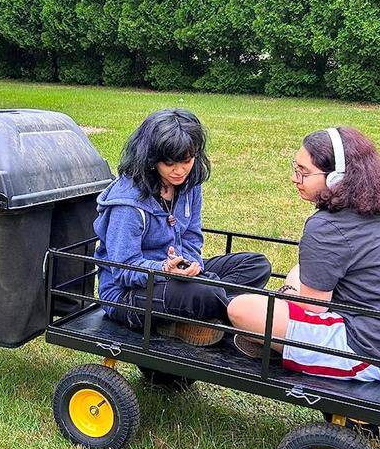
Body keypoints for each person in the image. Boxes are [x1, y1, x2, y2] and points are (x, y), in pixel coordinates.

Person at [227, 127, 380, 380]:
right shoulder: (374, 213)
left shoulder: (326, 226)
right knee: (297, 273)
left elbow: (313, 307)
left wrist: (287, 297)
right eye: (296, 169)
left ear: (336, 179)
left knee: (241, 308)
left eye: (304, 172)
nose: (295, 178)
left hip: (366, 350)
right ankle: (277, 339)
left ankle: (274, 344)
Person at [93, 109, 271, 345]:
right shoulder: (127, 204)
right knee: (204, 293)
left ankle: (195, 315)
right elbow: (123, 268)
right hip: (128, 294)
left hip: (179, 276)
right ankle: (244, 319)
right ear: (150, 158)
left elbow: (191, 237)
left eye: (186, 160)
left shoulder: (189, 185)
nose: (179, 171)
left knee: (257, 265)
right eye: (169, 163)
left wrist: (192, 266)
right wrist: (165, 269)